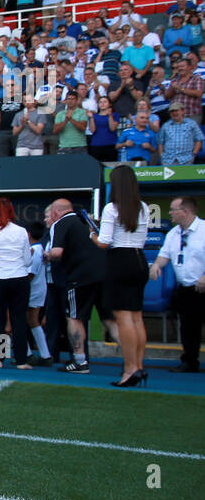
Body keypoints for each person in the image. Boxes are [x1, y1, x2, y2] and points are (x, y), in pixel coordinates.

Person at [95, 164, 150, 387]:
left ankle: (130, 369)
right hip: (139, 259)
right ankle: (139, 366)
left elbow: (104, 242)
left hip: (120, 261)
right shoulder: (143, 207)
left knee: (124, 317)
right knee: (136, 316)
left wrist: (92, 234)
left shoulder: (112, 208)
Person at [45, 198, 106, 374]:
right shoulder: (85, 220)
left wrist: (46, 255)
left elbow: (57, 252)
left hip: (79, 277)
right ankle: (133, 363)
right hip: (103, 273)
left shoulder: (61, 224)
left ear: (55, 212)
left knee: (74, 317)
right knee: (111, 320)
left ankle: (80, 361)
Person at [149, 197, 203, 373]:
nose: (170, 213)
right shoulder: (173, 233)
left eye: (173, 210)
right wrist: (157, 264)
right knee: (188, 327)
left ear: (185, 211)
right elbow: (165, 254)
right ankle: (190, 361)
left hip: (203, 285)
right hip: (187, 289)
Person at [0, 197, 34, 370]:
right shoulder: (21, 231)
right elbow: (27, 260)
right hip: (19, 278)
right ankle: (21, 360)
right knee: (19, 319)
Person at [25, 221, 51, 367]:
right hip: (39, 289)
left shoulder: (34, 251)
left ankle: (26, 353)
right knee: (33, 321)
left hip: (32, 290)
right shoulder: (40, 249)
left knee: (21, 320)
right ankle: (45, 354)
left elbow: (30, 274)